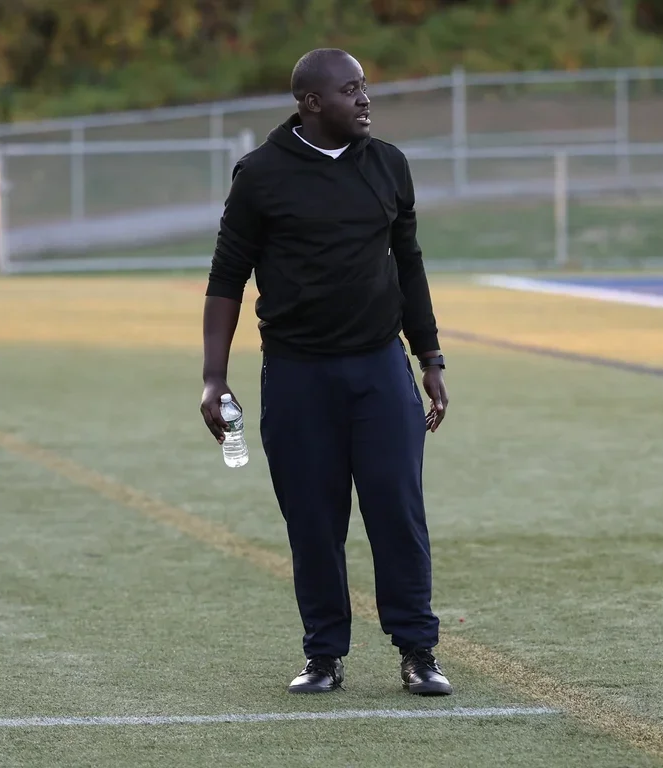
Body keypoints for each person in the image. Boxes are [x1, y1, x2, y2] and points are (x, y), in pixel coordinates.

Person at [200, 48, 452, 697]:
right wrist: (213, 377)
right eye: (350, 90)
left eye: (365, 87)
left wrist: (429, 356)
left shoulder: (389, 164)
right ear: (311, 103)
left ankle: (418, 652)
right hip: (296, 374)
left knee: (397, 512)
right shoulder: (260, 174)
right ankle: (323, 655)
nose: (365, 99)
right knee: (313, 521)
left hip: (379, 368)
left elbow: (409, 262)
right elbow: (227, 276)